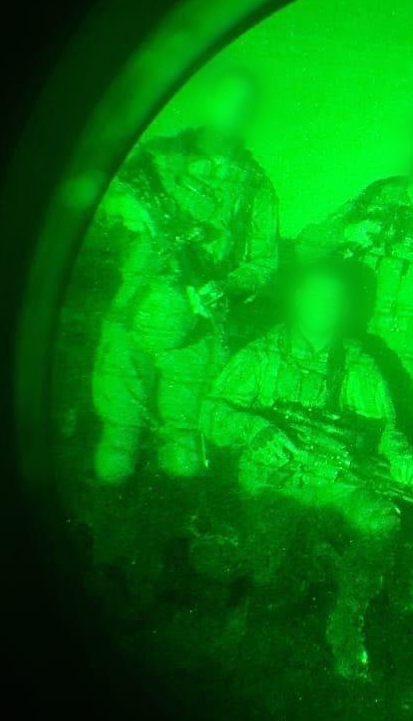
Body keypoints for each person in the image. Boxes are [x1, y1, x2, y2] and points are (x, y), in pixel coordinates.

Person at [201, 259, 413, 681]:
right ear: (297, 299)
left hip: (335, 481)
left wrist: (404, 457)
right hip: (272, 481)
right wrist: (253, 428)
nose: (322, 305)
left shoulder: (358, 362)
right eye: (314, 295)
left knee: (381, 521)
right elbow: (212, 411)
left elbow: (387, 430)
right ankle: (241, 613)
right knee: (265, 568)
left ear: (344, 307)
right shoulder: (263, 354)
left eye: (333, 299)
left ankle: (346, 627)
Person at [297, 111, 413, 609]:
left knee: (411, 467)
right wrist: (349, 230)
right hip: (355, 348)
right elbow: (308, 249)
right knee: (339, 448)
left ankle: (403, 571)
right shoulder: (374, 196)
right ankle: (329, 561)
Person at [90, 69, 279, 485]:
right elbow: (89, 202)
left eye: (244, 106)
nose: (234, 112)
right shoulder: (154, 159)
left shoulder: (256, 186)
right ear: (209, 102)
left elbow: (264, 262)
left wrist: (225, 288)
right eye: (227, 100)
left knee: (185, 457)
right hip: (135, 310)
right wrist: (120, 205)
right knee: (116, 452)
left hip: (198, 324)